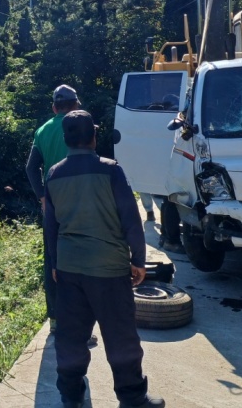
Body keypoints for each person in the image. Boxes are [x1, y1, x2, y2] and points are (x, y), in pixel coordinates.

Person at [44, 110, 165, 408]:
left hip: (70, 269)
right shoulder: (112, 170)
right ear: (94, 137)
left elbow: (51, 226)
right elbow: (130, 219)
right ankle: (133, 398)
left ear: (66, 139)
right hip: (109, 270)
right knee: (121, 337)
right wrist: (138, 259)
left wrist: (56, 264)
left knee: (71, 338)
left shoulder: (54, 174)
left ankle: (71, 397)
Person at [26, 84, 82, 334]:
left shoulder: (42, 130)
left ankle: (56, 321)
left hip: (52, 205)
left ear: (53, 107)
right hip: (80, 204)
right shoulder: (80, 126)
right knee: (80, 261)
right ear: (76, 105)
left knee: (52, 261)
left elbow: (31, 168)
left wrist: (41, 197)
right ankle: (79, 322)